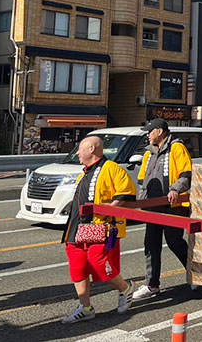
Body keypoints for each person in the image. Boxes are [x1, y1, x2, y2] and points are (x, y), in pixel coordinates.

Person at [61, 136, 137, 324]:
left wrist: (108, 210)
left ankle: (125, 288)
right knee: (77, 267)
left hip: (100, 227)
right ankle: (85, 307)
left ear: (93, 149)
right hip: (76, 227)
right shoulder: (84, 172)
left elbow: (127, 192)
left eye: (81, 149)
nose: (78, 152)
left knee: (99, 264)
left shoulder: (111, 168)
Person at [133, 119, 193, 300]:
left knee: (174, 241)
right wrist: (141, 201)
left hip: (172, 205)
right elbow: (142, 179)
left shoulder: (176, 148)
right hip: (153, 205)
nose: (147, 135)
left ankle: (195, 274)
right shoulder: (148, 153)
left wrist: (176, 189)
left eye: (149, 132)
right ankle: (152, 284)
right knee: (151, 243)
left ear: (159, 131)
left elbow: (186, 173)